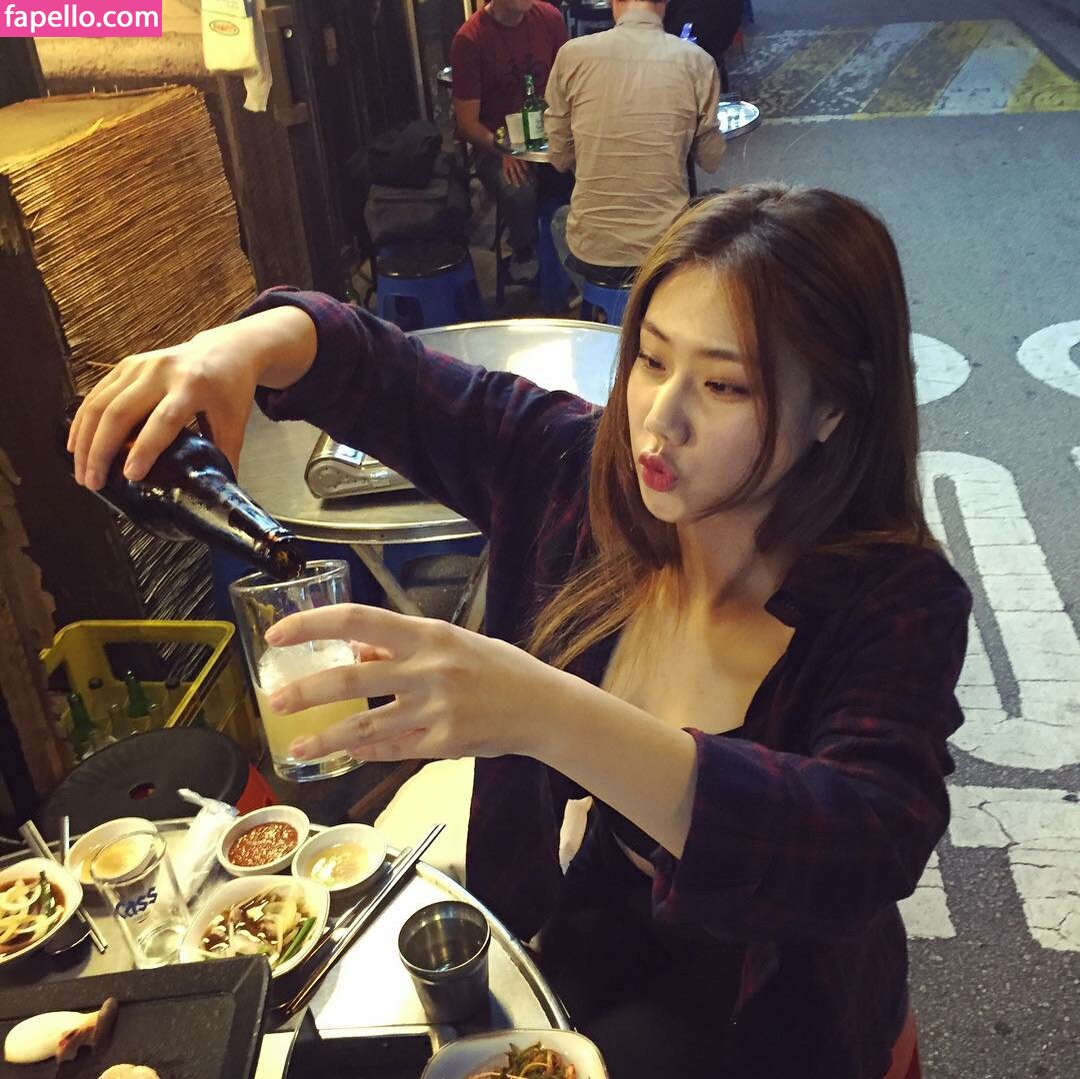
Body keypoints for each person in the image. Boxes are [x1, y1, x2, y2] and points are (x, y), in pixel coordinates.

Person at [70, 183, 970, 1078]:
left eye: (724, 383)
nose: (660, 419)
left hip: (771, 998)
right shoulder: (577, 471)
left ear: (834, 407)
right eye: (651, 359)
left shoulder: (897, 600)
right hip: (581, 922)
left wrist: (542, 711)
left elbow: (862, 839)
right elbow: (386, 374)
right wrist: (237, 346)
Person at [544, 0, 726, 289]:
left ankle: (602, 304)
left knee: (558, 221)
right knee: (714, 205)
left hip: (594, 250)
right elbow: (711, 159)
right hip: (667, 248)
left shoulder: (571, 55)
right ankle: (656, 301)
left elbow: (559, 158)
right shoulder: (697, 61)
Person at [450, 0, 568, 279]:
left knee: (588, 171)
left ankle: (573, 256)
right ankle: (526, 252)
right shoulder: (470, 39)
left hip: (550, 135)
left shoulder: (549, 18)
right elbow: (467, 123)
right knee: (518, 188)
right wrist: (502, 149)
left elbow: (567, 85)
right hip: (496, 143)